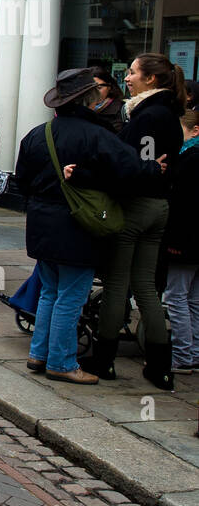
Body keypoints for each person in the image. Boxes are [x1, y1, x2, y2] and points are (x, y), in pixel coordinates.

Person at [15, 68, 162, 385]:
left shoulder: (37, 134)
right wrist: (154, 168)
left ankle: (39, 354)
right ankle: (61, 362)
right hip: (77, 225)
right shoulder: (96, 135)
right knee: (70, 296)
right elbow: (130, 170)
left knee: (50, 293)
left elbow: (22, 182)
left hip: (43, 222)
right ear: (89, 99)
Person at [84, 52, 184, 390]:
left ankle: (103, 360)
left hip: (135, 206)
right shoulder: (169, 113)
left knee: (116, 285)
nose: (126, 77)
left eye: (132, 72)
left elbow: (125, 163)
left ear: (151, 79)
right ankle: (160, 368)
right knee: (145, 286)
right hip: (160, 206)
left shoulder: (147, 115)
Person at [163, 110, 199, 375]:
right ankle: (194, 353)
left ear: (194, 131)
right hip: (194, 241)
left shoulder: (190, 159)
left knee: (177, 297)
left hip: (185, 240)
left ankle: (183, 356)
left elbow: (182, 205)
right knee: (194, 299)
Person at [89, 66, 125, 133]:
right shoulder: (79, 109)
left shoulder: (122, 110)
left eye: (99, 88)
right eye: (90, 88)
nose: (94, 92)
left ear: (110, 87)